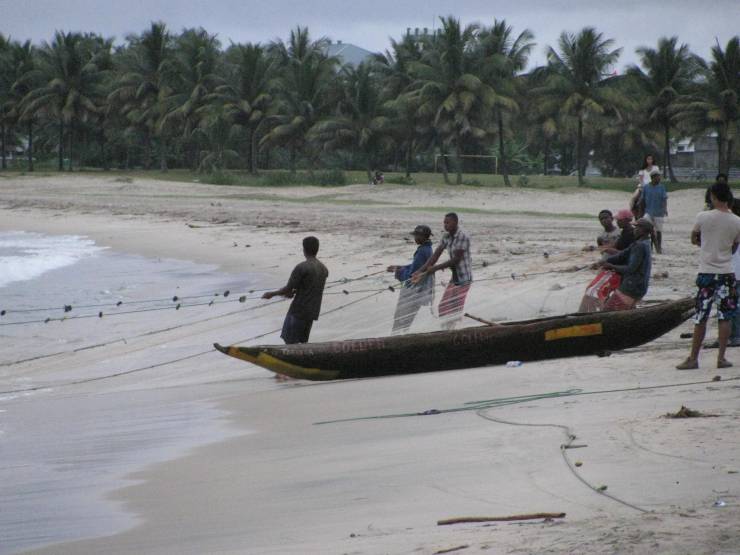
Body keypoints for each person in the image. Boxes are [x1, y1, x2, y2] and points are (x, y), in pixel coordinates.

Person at [677, 181, 740, 370]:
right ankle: (721, 358)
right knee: (725, 316)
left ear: (713, 196)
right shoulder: (736, 221)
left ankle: (693, 358)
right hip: (726, 273)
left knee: (701, 316)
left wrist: (705, 245)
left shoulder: (703, 217)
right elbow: (734, 247)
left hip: (707, 272)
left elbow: (694, 238)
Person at [262, 236, 329, 345]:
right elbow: (308, 287)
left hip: (298, 311)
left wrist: (271, 294)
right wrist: (293, 292)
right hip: (312, 312)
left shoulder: (301, 267)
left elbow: (288, 288)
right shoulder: (324, 269)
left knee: (289, 340)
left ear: (304, 250)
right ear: (317, 249)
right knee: (303, 342)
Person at [412, 212, 472, 329]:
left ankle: (453, 331)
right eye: (444, 223)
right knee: (443, 307)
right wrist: (420, 271)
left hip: (464, 278)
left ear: (455, 222)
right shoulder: (446, 237)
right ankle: (446, 330)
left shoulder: (462, 236)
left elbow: (456, 260)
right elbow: (435, 256)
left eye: (448, 222)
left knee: (455, 309)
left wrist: (435, 268)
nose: (445, 225)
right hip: (455, 277)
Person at [387, 225, 434, 334]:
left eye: (417, 236)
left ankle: (395, 338)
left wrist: (398, 272)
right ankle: (402, 336)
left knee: (400, 318)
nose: (415, 238)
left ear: (423, 237)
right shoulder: (428, 249)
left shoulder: (422, 251)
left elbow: (411, 276)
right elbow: (416, 266)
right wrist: (399, 267)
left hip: (414, 290)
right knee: (407, 319)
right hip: (420, 290)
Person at [599, 218, 654, 311]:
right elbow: (622, 255)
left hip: (632, 286)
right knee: (624, 311)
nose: (634, 230)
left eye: (636, 227)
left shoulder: (640, 246)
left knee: (608, 310)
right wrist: (605, 261)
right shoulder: (644, 242)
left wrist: (611, 266)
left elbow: (630, 269)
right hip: (641, 285)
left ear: (642, 230)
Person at [642, 168, 668, 253]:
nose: (659, 178)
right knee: (648, 230)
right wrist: (641, 211)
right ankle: (650, 247)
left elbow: (664, 199)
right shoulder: (646, 187)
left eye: (659, 177)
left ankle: (658, 247)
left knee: (658, 231)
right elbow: (642, 200)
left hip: (659, 213)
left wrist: (665, 209)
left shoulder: (662, 187)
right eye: (658, 177)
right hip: (648, 212)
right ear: (653, 177)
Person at [630, 154, 660, 219]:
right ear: (646, 160)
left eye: (651, 159)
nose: (649, 160)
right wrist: (643, 186)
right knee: (634, 197)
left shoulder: (656, 168)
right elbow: (641, 179)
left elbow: (657, 178)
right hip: (643, 187)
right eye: (648, 159)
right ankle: (631, 211)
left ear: (653, 160)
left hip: (653, 186)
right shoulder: (642, 169)